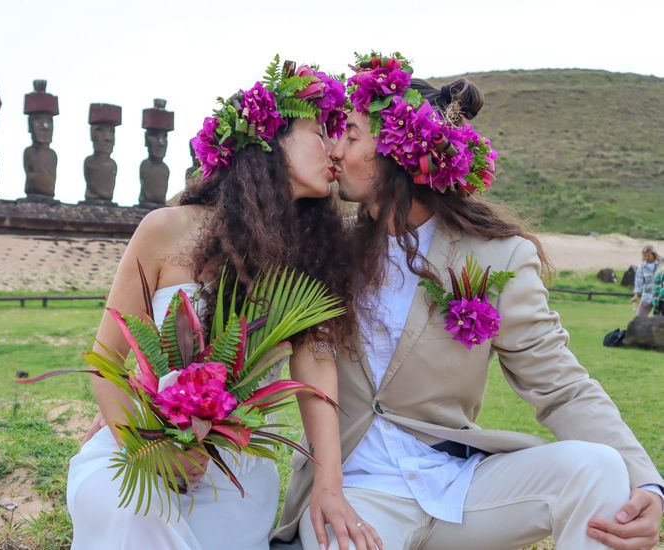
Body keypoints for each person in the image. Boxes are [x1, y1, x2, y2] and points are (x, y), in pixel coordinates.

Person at [276, 52, 663, 550]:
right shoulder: (328, 251)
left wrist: (648, 482)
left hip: (455, 487)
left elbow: (561, 384)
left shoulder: (498, 257)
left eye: (350, 136)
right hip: (357, 492)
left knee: (598, 469)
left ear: (398, 152)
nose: (335, 148)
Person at [67, 59, 355, 550]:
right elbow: (103, 362)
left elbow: (317, 374)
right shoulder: (165, 229)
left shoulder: (314, 256)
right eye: (318, 130)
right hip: (136, 453)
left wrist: (329, 485)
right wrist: (147, 447)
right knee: (135, 511)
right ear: (269, 140)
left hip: (237, 474)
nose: (334, 148)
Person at [632, 245, 661, 318]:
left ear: (654, 254)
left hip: (660, 296)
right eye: (645, 256)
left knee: (660, 319)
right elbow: (638, 281)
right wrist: (636, 295)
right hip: (647, 295)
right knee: (639, 317)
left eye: (649, 255)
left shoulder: (661, 264)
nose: (647, 258)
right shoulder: (642, 266)